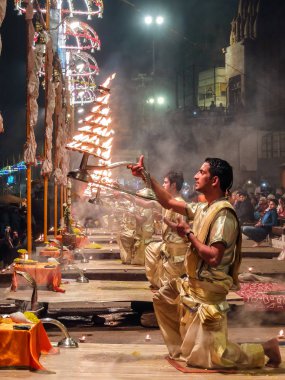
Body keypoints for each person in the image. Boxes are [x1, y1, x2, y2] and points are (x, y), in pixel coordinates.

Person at [128, 156, 281, 369]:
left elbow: (213, 257)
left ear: (215, 180)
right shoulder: (202, 208)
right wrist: (146, 176)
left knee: (218, 358)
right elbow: (168, 202)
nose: (195, 175)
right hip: (192, 284)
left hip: (209, 290)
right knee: (163, 297)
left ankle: (265, 349)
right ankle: (189, 346)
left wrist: (188, 234)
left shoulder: (223, 214)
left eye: (201, 172)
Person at [145, 171, 188, 288]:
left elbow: (182, 228)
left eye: (165, 182)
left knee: (170, 286)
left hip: (176, 247)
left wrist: (164, 220)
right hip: (168, 244)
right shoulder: (169, 202)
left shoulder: (180, 203)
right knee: (150, 249)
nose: (163, 185)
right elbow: (148, 203)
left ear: (173, 185)